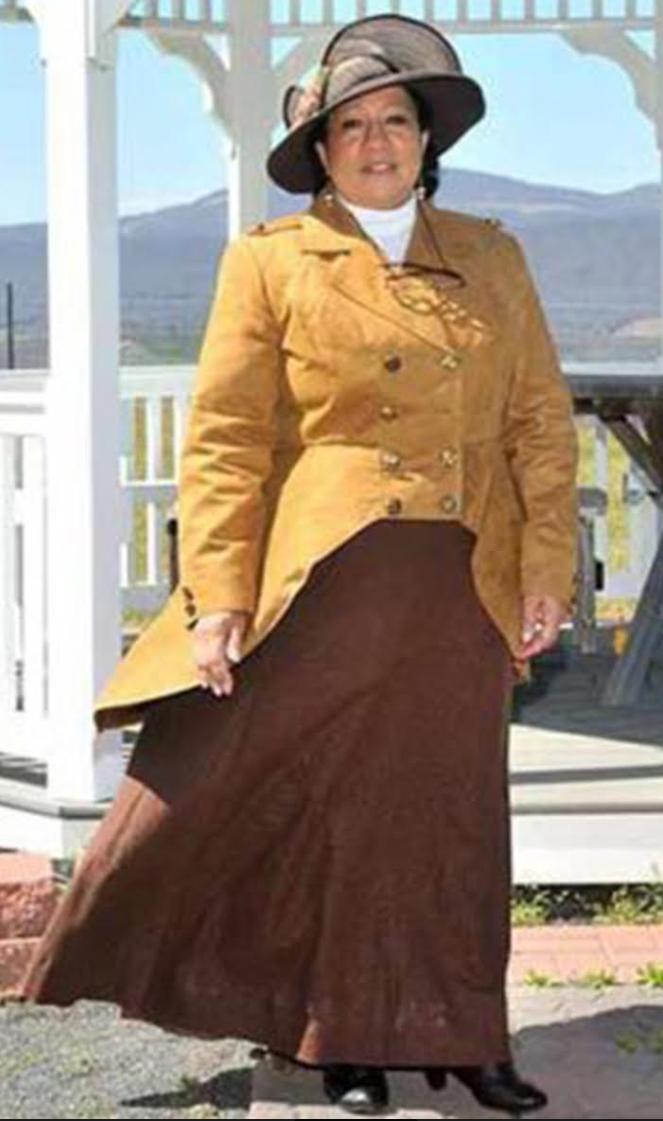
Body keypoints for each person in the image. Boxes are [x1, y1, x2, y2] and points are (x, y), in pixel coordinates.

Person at [17, 14, 579, 1118]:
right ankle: (338, 1040)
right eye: (352, 127)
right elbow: (228, 439)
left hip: (466, 579)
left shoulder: (494, 255)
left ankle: (469, 1037)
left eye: (396, 123)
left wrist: (547, 567)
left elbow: (540, 427)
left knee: (446, 811)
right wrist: (219, 597)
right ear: (321, 154)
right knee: (312, 803)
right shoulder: (270, 262)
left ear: (428, 140)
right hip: (322, 579)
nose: (376, 143)